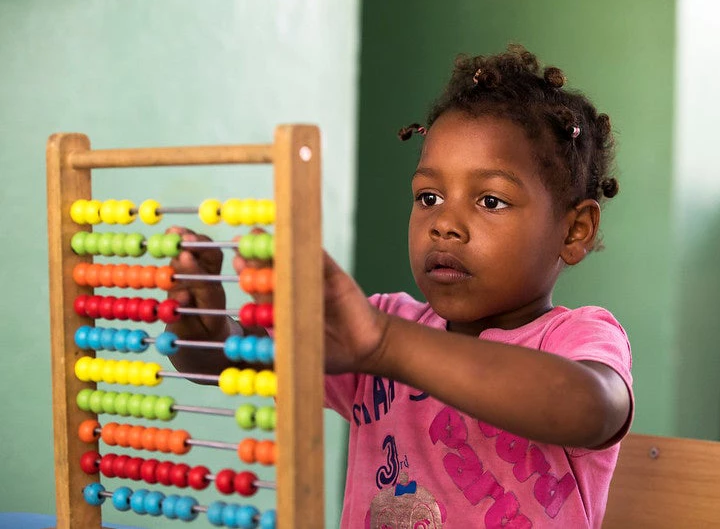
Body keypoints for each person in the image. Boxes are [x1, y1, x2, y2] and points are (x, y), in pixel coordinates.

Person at [165, 45, 633, 528]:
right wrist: (206, 331)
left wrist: (384, 344)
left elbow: (590, 409)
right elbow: (239, 362)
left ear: (574, 230)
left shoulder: (577, 338)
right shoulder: (381, 327)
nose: (445, 223)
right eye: (428, 196)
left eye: (490, 201)